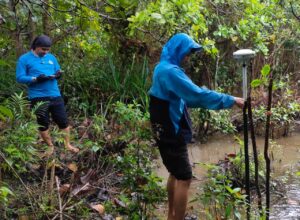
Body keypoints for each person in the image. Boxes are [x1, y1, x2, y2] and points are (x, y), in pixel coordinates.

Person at [149, 33, 244, 220]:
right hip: (171, 131)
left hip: (161, 130)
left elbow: (181, 97)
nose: (187, 57)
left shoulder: (161, 68)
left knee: (174, 173)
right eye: (186, 53)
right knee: (185, 177)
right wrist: (231, 100)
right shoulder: (171, 72)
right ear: (178, 50)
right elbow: (197, 95)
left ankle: (170, 215)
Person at [16, 35, 79, 155]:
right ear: (35, 47)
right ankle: (50, 146)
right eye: (43, 49)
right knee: (43, 123)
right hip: (37, 96)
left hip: (55, 94)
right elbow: (20, 77)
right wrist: (35, 79)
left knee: (63, 121)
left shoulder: (51, 58)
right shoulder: (24, 59)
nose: (46, 52)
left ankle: (67, 145)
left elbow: (57, 70)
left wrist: (58, 74)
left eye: (48, 49)